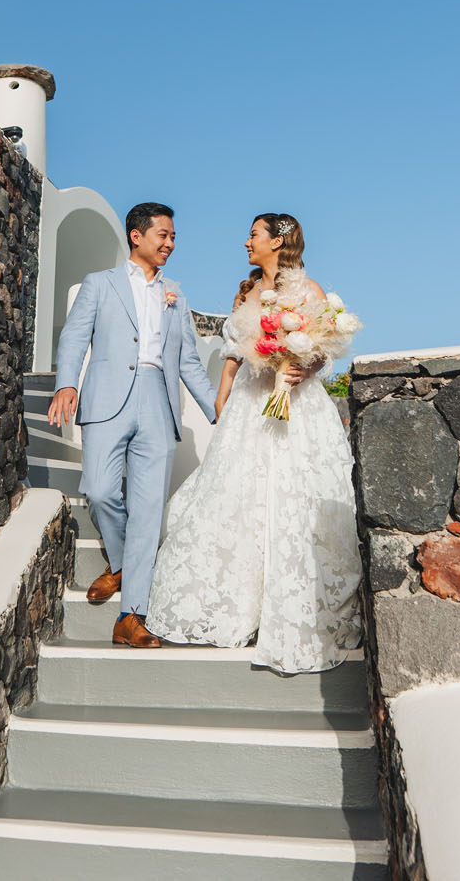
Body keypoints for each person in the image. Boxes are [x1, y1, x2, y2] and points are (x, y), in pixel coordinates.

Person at [147, 212, 362, 673]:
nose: (246, 242)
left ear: (278, 241)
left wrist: (303, 368)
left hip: (295, 405)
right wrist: (222, 404)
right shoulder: (246, 291)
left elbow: (321, 350)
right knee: (236, 499)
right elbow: (230, 359)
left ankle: (289, 610)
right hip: (249, 402)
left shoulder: (309, 291)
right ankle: (235, 606)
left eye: (253, 234)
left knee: (292, 497)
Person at [48, 202, 217, 649]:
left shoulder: (176, 295)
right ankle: (121, 562)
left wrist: (221, 410)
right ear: (137, 236)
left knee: (148, 510)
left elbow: (189, 364)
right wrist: (67, 384)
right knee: (100, 489)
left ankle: (131, 615)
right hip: (105, 400)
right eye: (163, 235)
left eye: (174, 237)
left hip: (157, 406)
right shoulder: (99, 284)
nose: (170, 243)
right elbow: (74, 336)